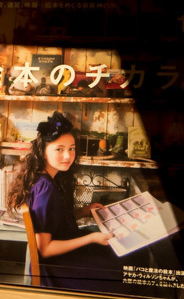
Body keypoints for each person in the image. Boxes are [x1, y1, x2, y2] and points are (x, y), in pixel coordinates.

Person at [7, 111, 116, 289]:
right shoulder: (45, 189)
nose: (68, 156)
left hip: (64, 257)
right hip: (58, 269)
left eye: (71, 149)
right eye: (59, 149)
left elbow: (54, 223)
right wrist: (92, 238)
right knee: (118, 269)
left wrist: (83, 211)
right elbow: (45, 248)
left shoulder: (48, 179)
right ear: (43, 152)